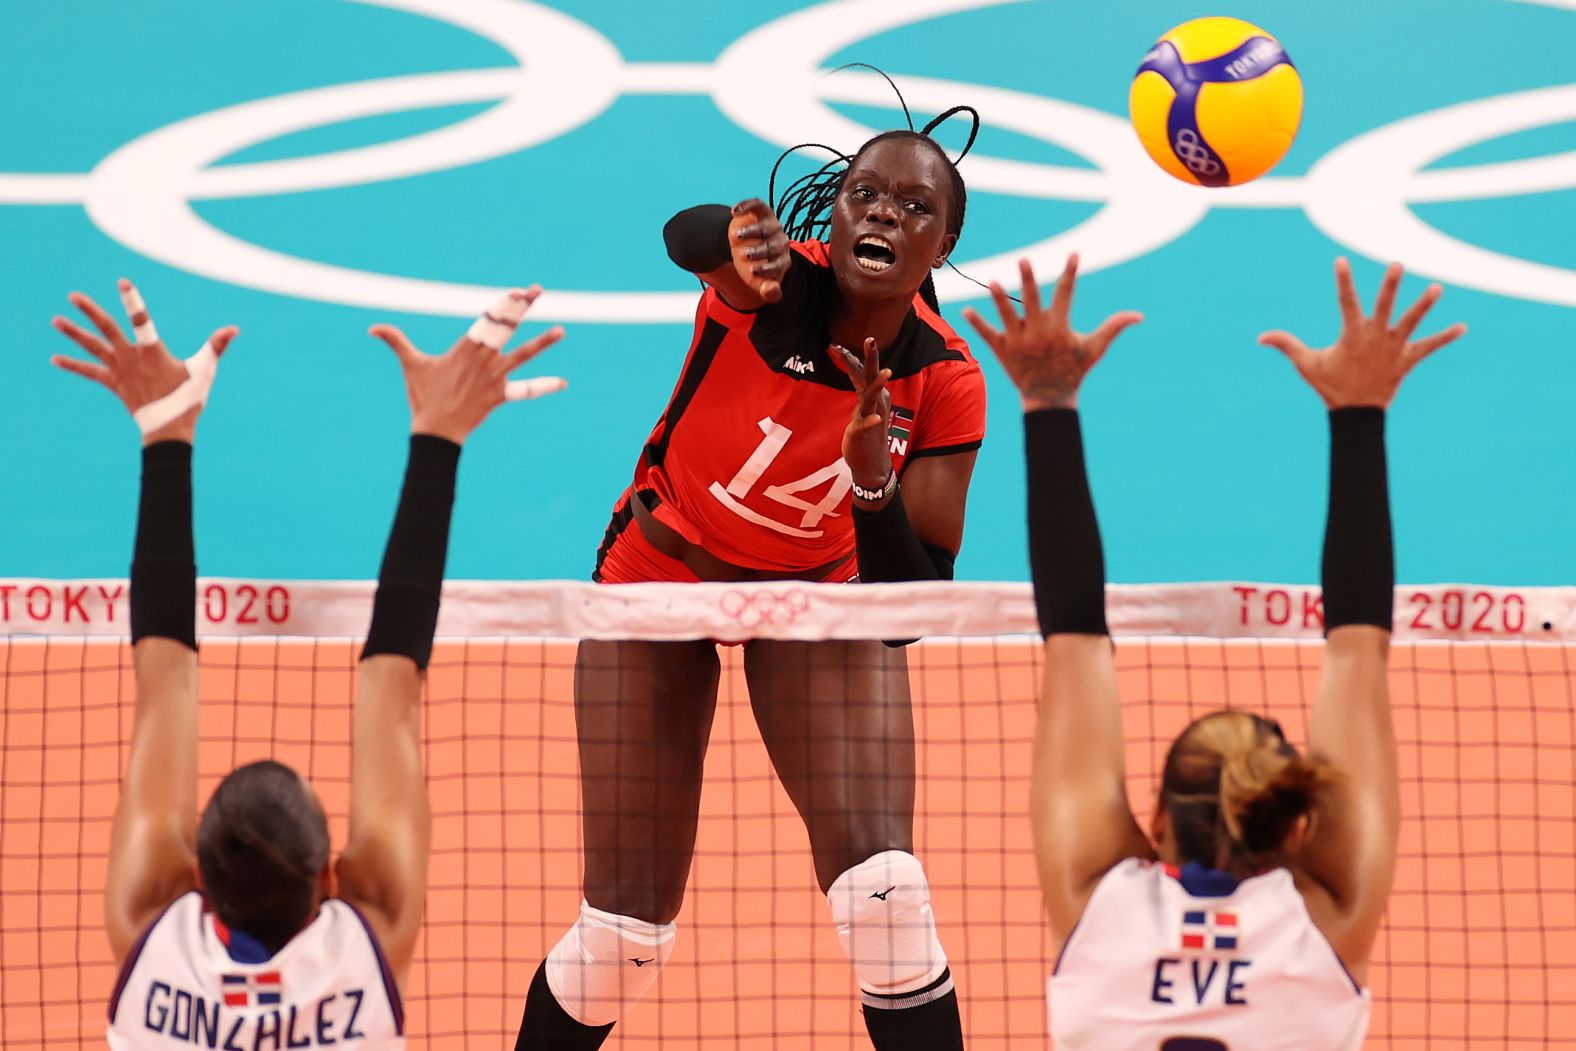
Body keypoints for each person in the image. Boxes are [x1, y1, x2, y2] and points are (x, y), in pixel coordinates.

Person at [515, 123, 987, 1051]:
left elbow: (909, 615)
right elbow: (685, 239)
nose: (885, 209)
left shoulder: (945, 381)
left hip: (814, 598)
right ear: (839, 212)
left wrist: (870, 482)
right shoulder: (777, 287)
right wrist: (727, 235)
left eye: (916, 205)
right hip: (660, 578)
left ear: (943, 246)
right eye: (865, 193)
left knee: (888, 904)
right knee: (621, 942)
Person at [964, 255, 1466, 1049]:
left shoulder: (1105, 907)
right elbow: (1358, 648)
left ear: (1157, 817)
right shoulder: (1320, 926)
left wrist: (1047, 402)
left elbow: (1072, 637)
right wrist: (1360, 413)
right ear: (1298, 820)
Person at [51, 279, 564, 1048]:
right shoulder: (362, 950)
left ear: (193, 872)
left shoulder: (153, 943)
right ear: (330, 876)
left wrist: (165, 430)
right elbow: (377, 691)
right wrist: (437, 434)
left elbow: (171, 685)